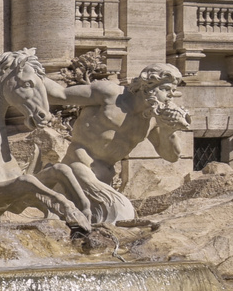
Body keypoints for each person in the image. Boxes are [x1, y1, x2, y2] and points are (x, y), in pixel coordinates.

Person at [42, 63, 190, 225]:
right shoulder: (111, 95)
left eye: (172, 92)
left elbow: (171, 156)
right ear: (148, 85)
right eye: (166, 89)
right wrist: (27, 71)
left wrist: (169, 131)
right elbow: (59, 94)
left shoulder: (152, 120)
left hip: (105, 180)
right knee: (121, 212)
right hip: (78, 169)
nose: (170, 96)